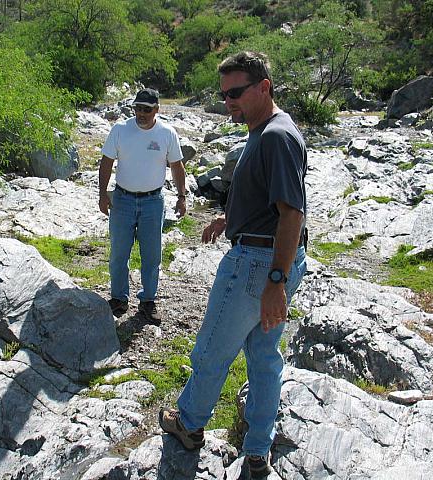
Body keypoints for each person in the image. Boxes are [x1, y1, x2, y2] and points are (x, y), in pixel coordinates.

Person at [158, 51, 308, 478]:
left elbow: (291, 213)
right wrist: (232, 218)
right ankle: (258, 450)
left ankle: (188, 424)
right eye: (224, 95)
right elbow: (271, 197)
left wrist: (275, 282)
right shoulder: (267, 130)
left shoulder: (276, 135)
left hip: (257, 265)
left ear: (264, 87)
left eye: (236, 93)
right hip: (267, 255)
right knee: (263, 356)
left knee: (212, 350)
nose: (229, 102)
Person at [98, 88, 186, 324]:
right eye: (138, 108)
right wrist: (102, 194)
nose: (141, 113)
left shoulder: (167, 133)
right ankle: (118, 298)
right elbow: (106, 162)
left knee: (151, 256)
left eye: (147, 109)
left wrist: (181, 196)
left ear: (157, 109)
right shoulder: (120, 130)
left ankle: (148, 301)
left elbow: (177, 166)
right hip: (123, 199)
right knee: (118, 252)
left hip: (153, 202)